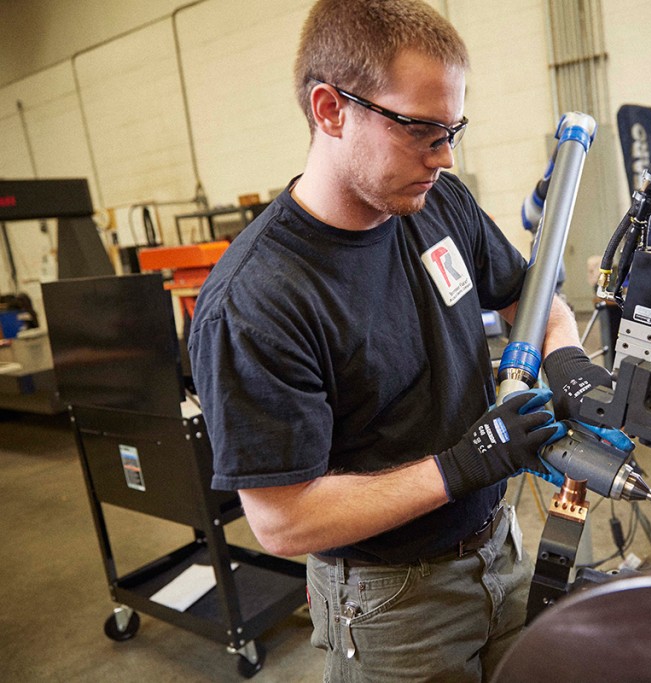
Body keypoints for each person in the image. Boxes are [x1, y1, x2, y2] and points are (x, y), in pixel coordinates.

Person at [187, 1, 617, 680]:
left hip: (499, 548)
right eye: (421, 130)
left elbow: (534, 300)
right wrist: (459, 465)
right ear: (330, 110)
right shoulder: (256, 302)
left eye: (454, 130)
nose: (445, 157)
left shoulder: (438, 202)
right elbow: (283, 521)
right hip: (392, 603)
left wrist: (566, 362)